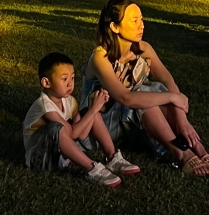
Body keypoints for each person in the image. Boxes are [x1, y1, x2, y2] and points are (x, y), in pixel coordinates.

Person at [81, 0, 209, 176]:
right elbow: (127, 98)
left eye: (141, 19)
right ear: (114, 27)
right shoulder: (101, 57)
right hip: (102, 127)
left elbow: (168, 82)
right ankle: (183, 154)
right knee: (144, 91)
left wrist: (182, 120)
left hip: (131, 122)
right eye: (134, 21)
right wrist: (173, 97)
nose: (141, 25)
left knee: (154, 90)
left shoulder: (143, 48)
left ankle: (199, 150)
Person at [22, 52, 140, 186]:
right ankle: (92, 168)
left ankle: (112, 157)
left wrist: (94, 108)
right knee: (57, 128)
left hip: (61, 154)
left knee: (91, 114)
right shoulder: (44, 105)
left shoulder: (69, 101)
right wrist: (94, 108)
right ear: (46, 82)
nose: (70, 84)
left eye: (72, 78)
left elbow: (81, 133)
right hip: (41, 158)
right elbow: (71, 133)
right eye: (64, 79)